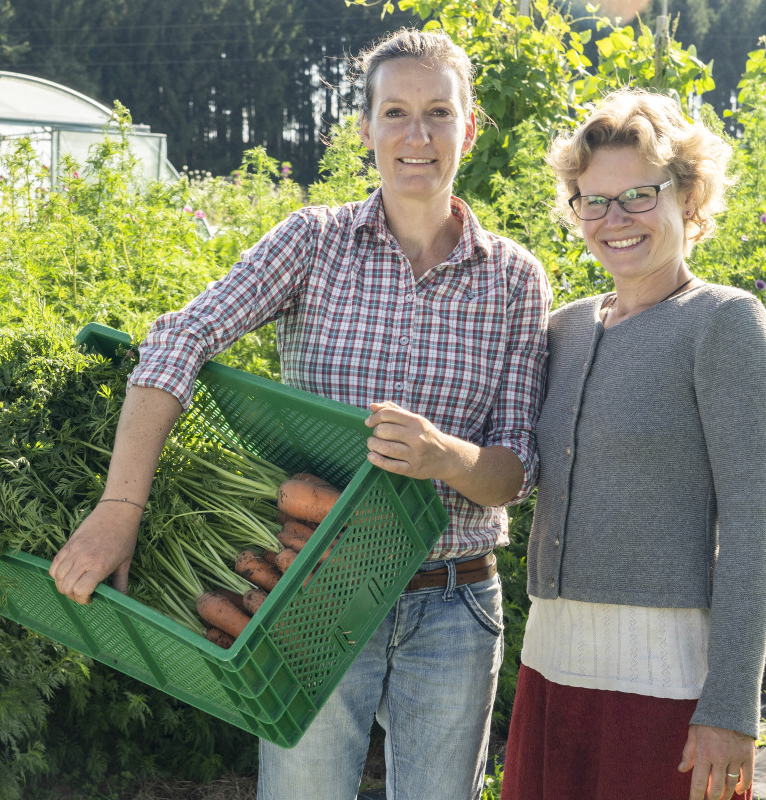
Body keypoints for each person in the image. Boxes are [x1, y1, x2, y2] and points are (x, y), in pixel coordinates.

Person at [49, 28, 551, 800]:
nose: (416, 136)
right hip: (314, 590)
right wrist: (121, 506)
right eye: (395, 113)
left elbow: (514, 470)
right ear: (365, 130)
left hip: (453, 600)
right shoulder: (314, 242)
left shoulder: (516, 279)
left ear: (469, 128)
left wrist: (446, 457)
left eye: (439, 113)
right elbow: (180, 337)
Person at [501, 88, 766, 800]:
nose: (613, 220)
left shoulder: (725, 324)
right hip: (550, 665)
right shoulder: (563, 330)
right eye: (592, 201)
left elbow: (754, 525)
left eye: (637, 195)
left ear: (687, 196)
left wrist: (729, 707)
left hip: (665, 690)